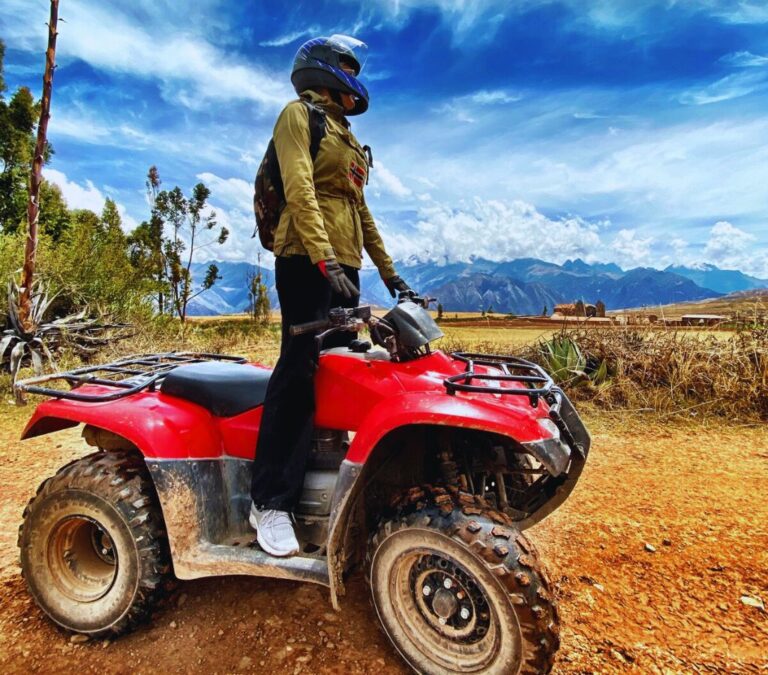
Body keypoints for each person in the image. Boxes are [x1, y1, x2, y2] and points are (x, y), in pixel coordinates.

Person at [249, 35, 410, 557]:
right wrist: (321, 258)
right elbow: (299, 188)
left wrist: (390, 274)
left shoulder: (346, 137)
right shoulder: (298, 116)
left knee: (344, 366)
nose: (353, 76)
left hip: (346, 266)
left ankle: (328, 476)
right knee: (297, 370)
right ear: (324, 70)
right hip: (304, 259)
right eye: (347, 65)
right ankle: (269, 502)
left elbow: (359, 212)